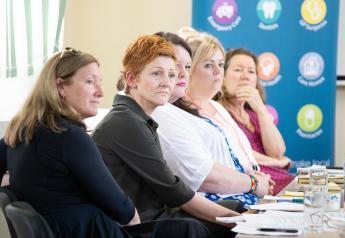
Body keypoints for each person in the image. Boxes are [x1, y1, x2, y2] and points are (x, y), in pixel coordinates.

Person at [0, 47, 211, 238]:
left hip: (68, 229)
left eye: (99, 82)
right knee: (191, 229)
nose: (100, 92)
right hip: (93, 231)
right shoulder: (70, 137)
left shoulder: (18, 132)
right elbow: (123, 209)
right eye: (90, 82)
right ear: (61, 87)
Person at [92, 34, 243, 238]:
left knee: (235, 206)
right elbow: (175, 191)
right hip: (136, 225)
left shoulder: (138, 117)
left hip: (160, 214)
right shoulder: (124, 121)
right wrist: (241, 222)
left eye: (171, 75)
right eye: (157, 74)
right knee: (195, 228)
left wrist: (237, 216)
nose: (166, 83)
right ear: (131, 79)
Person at [151, 32, 272, 206]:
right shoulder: (163, 111)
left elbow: (236, 158)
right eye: (208, 65)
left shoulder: (217, 108)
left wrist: (255, 178)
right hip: (224, 200)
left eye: (221, 64)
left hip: (243, 191)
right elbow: (203, 176)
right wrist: (253, 182)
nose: (217, 71)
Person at [215, 48, 294, 195]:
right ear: (222, 77)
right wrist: (277, 163)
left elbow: (277, 152)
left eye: (251, 72)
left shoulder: (254, 114)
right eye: (238, 70)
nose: (245, 77)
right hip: (252, 181)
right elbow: (236, 150)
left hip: (276, 178)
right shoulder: (216, 110)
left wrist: (261, 110)